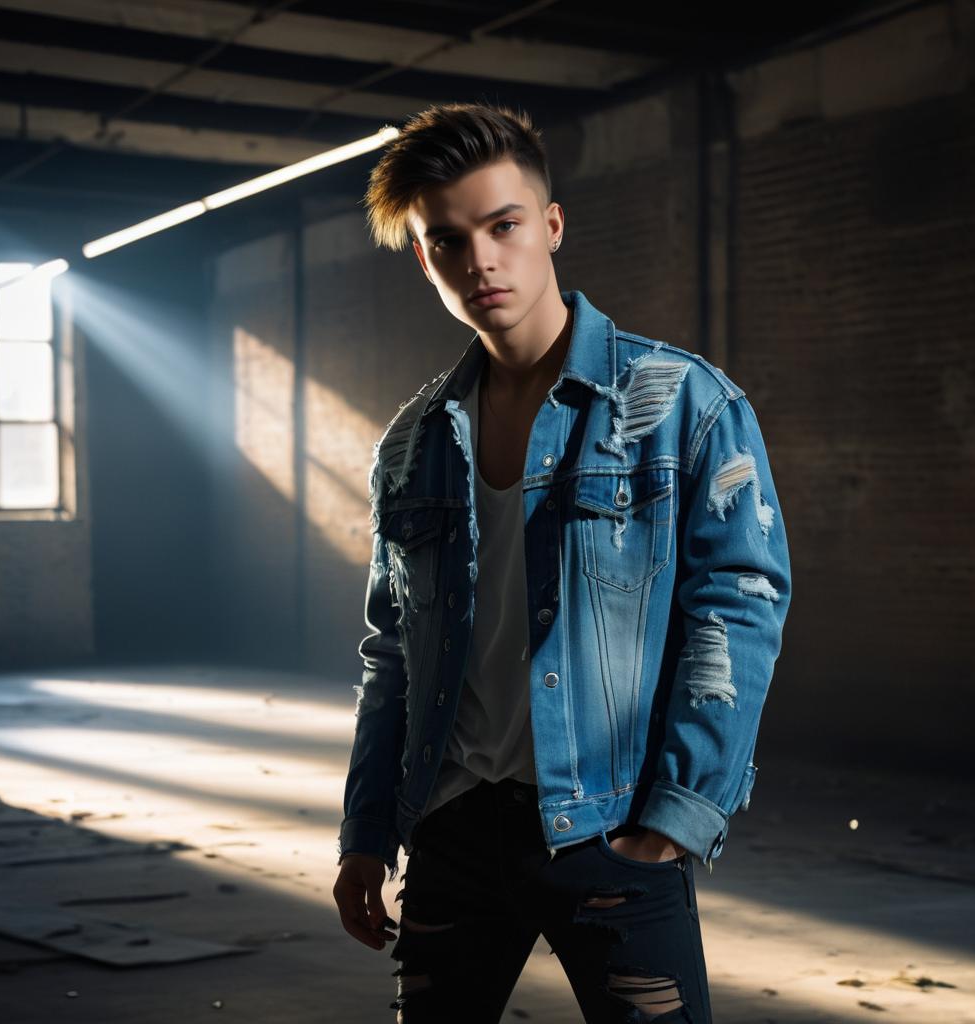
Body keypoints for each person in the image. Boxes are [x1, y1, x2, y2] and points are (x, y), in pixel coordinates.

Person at [332, 101, 792, 1023]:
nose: (481, 260)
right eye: (449, 241)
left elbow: (739, 604)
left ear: (549, 226)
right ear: (426, 259)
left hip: (609, 827)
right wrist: (368, 833)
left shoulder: (681, 404)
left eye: (503, 226)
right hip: (454, 828)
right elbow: (392, 655)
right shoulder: (414, 444)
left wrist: (675, 818)